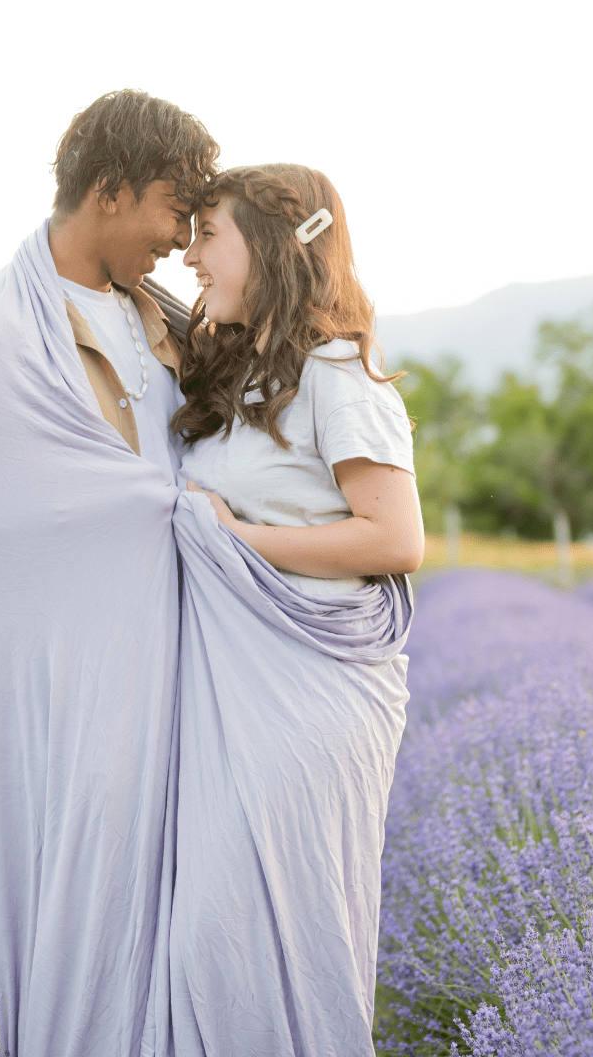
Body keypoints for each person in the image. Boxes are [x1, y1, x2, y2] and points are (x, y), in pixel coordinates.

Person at [0, 90, 218, 1057]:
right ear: (112, 192)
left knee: (184, 888)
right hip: (77, 666)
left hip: (182, 647)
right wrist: (154, 509)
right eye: (174, 207)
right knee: (93, 864)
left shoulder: (166, 315)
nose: (182, 234)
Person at [167, 164, 423, 1056]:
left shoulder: (339, 373)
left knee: (239, 920)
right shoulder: (237, 372)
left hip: (309, 698)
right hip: (234, 690)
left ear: (272, 249)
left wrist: (235, 535)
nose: (190, 256)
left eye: (209, 235)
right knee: (206, 934)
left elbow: (395, 540)